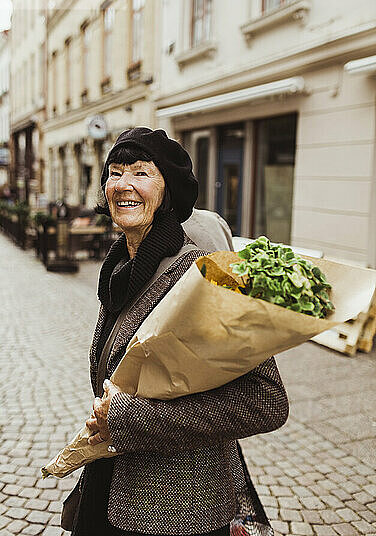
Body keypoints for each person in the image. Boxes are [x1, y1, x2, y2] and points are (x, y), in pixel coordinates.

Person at [71, 127, 289, 536]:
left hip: (178, 509)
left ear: (167, 190)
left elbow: (267, 401)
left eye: (141, 172)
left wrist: (130, 417)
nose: (123, 184)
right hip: (114, 486)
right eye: (115, 172)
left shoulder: (207, 274)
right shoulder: (120, 270)